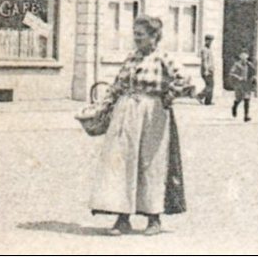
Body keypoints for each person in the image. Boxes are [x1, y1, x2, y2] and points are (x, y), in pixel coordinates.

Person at [89, 16, 188, 236]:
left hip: (153, 115)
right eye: (135, 34)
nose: (136, 39)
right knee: (122, 161)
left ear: (154, 37)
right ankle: (122, 218)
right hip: (126, 113)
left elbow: (186, 81)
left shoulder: (164, 58)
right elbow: (117, 85)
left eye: (140, 35)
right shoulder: (132, 58)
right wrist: (102, 107)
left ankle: (154, 219)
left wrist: (169, 95)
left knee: (151, 163)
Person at [230, 50, 256, 122]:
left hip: (247, 84)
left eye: (246, 58)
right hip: (239, 85)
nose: (245, 60)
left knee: (247, 99)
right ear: (240, 58)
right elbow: (231, 73)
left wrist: (254, 78)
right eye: (243, 58)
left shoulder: (250, 65)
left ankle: (246, 116)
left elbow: (253, 72)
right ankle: (235, 106)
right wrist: (238, 77)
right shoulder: (236, 65)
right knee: (239, 99)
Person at [197, 34, 215, 106]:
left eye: (211, 41)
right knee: (210, 85)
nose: (211, 42)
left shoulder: (209, 49)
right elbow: (204, 61)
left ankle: (208, 101)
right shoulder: (204, 49)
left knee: (211, 85)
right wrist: (206, 70)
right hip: (206, 70)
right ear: (206, 41)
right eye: (209, 41)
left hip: (210, 70)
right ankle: (200, 96)